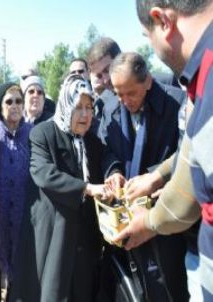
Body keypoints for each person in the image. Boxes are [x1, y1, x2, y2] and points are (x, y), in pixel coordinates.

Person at [113, 0, 213, 300]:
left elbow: (182, 204)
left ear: (162, 21)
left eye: (147, 36)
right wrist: (158, 177)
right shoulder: (200, 79)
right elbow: (193, 151)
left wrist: (150, 221)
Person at [10, 74, 109, 302]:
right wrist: (88, 188)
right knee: (51, 291)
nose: (85, 114)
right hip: (54, 232)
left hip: (85, 238)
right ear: (66, 105)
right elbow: (44, 174)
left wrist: (114, 175)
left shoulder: (92, 141)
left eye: (89, 107)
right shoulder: (44, 133)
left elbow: (108, 159)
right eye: (79, 107)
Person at [99, 52, 188, 301]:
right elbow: (107, 150)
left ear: (147, 81)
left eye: (131, 93)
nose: (125, 100)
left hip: (165, 221)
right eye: (119, 93)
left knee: (168, 287)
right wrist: (114, 171)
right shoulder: (111, 107)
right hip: (125, 220)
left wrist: (153, 179)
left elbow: (186, 156)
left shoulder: (176, 104)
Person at [0, 83, 32, 301]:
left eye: (18, 101)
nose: (14, 106)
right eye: (9, 101)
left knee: (21, 275)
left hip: (24, 216)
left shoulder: (33, 134)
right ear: (1, 105)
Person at [87, 37, 121, 120]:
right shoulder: (105, 113)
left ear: (120, 59)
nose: (105, 80)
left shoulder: (150, 91)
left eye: (108, 70)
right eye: (99, 75)